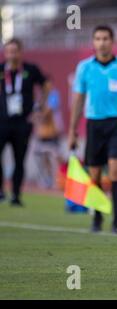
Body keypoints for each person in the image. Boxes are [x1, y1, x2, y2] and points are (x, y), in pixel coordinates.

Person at [68, 25, 117, 234]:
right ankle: (98, 217)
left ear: (113, 41)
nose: (102, 42)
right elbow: (78, 99)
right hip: (94, 124)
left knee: (115, 170)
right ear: (93, 42)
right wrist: (72, 130)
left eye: (105, 38)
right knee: (94, 174)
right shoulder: (84, 67)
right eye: (98, 38)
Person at [0, 38, 50, 206]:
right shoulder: (1, 70)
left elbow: (46, 85)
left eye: (15, 51)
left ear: (20, 52)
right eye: (8, 51)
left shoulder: (30, 69)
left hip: (22, 122)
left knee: (19, 159)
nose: (11, 55)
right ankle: (1, 191)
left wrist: (39, 108)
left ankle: (15, 194)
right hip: (2, 121)